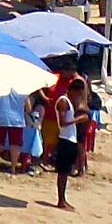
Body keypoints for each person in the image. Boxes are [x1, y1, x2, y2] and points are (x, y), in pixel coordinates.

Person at [42, 76, 82, 210]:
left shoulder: (69, 102)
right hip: (65, 139)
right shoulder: (63, 102)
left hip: (70, 139)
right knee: (63, 172)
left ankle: (63, 199)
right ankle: (61, 200)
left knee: (66, 172)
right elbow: (62, 123)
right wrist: (78, 120)